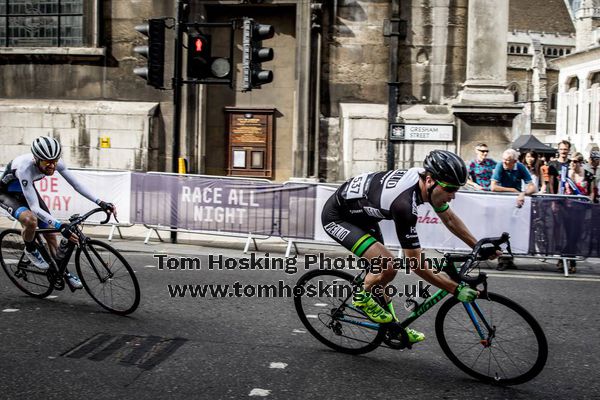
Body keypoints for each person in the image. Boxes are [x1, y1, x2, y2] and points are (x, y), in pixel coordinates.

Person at [321, 150, 500, 344]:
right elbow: (416, 264)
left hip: (362, 214)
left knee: (382, 276)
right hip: (337, 217)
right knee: (388, 265)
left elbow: (448, 218)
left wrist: (478, 246)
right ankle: (361, 296)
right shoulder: (405, 205)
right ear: (430, 180)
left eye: (456, 189)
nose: (453, 196)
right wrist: (454, 289)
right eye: (449, 189)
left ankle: (394, 328)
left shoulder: (425, 184)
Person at [0, 137, 116, 289]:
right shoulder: (24, 168)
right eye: (47, 161)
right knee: (31, 220)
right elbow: (35, 209)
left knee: (51, 235)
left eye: (54, 160)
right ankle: (30, 249)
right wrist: (61, 226)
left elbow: (77, 185)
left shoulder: (55, 162)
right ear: (36, 159)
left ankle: (62, 272)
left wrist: (100, 202)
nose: (52, 165)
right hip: (6, 194)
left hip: (26, 191)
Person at [490, 149, 538, 270]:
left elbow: (533, 187)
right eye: (504, 160)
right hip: (501, 203)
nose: (505, 162)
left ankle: (510, 258)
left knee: (512, 232)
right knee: (501, 231)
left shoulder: (520, 167)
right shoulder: (500, 165)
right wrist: (513, 190)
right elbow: (493, 187)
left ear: (515, 161)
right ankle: (501, 259)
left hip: (514, 205)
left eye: (508, 161)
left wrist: (523, 193)